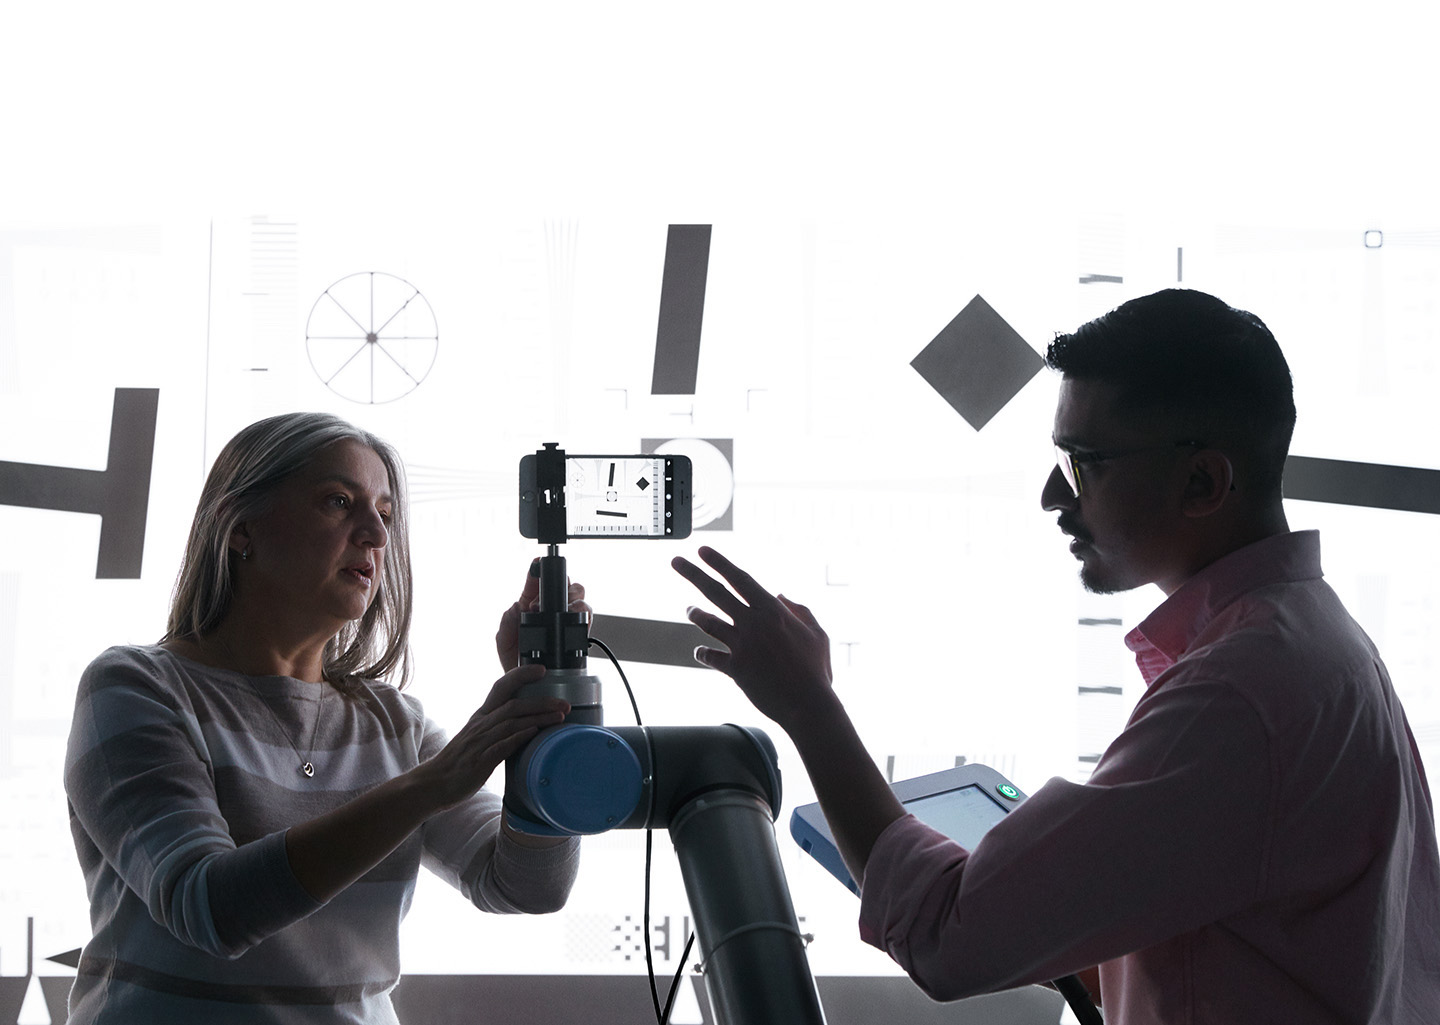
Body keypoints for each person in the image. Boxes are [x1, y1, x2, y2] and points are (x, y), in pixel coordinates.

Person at [673, 289, 1440, 1024]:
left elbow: (948, 938)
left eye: (1085, 461)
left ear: (1203, 480)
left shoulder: (1236, 696)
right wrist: (1051, 900)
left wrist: (810, 707)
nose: (1051, 494)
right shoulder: (1324, 644)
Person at [64, 412, 583, 1024]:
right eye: (339, 502)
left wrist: (543, 732)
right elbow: (209, 907)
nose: (375, 535)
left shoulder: (397, 725)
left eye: (385, 515)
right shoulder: (135, 686)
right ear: (240, 527)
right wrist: (429, 786)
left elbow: (528, 887)